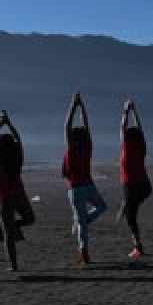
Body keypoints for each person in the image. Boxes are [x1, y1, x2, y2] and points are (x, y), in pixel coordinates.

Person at [0, 110, 35, 271]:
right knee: (29, 218)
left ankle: (13, 265)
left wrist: (0, 124)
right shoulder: (17, 156)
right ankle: (11, 227)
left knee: (8, 233)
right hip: (18, 193)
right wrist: (9, 123)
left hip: (3, 197)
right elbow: (18, 139)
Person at [63, 93, 106, 264]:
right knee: (101, 207)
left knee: (83, 220)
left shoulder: (71, 149)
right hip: (87, 186)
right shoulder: (88, 147)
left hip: (75, 188)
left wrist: (73, 106)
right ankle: (83, 250)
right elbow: (87, 126)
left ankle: (82, 224)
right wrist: (82, 108)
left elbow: (67, 125)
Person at [118, 99, 152, 259]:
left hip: (131, 187)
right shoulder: (142, 145)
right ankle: (126, 205)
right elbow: (139, 128)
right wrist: (134, 111)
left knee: (131, 218)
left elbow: (122, 127)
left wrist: (126, 111)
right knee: (131, 212)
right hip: (145, 187)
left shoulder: (126, 146)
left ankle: (138, 247)